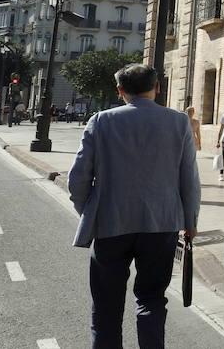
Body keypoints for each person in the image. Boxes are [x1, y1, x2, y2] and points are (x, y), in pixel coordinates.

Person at [68, 64, 201, 349]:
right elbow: (189, 178)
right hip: (161, 225)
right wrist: (190, 221)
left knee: (106, 306)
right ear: (158, 88)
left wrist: (89, 213)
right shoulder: (178, 122)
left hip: (111, 224)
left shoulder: (101, 121)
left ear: (120, 91)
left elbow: (78, 178)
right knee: (152, 299)